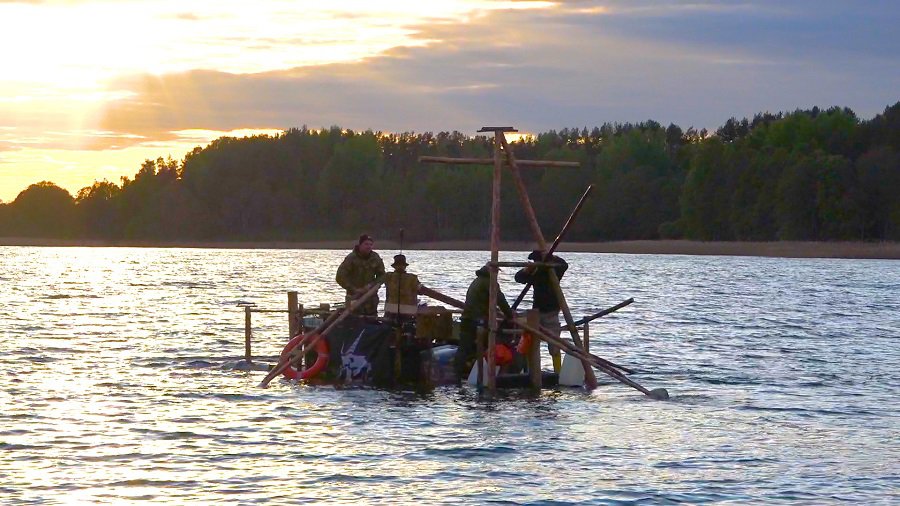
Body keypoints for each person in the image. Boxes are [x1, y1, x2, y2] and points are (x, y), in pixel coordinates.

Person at [454, 263, 513, 378]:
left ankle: (457, 375)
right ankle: (488, 375)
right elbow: (500, 300)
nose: (496, 275)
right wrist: (510, 315)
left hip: (467, 319)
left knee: (464, 347)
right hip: (477, 320)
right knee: (491, 344)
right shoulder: (489, 282)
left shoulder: (477, 281)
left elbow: (483, 301)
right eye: (496, 272)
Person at [515, 250, 568, 373]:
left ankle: (557, 372)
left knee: (554, 344)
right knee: (532, 342)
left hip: (551, 311)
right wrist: (526, 270)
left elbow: (564, 265)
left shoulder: (553, 269)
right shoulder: (536, 271)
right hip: (538, 311)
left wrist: (552, 257)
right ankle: (532, 371)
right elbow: (518, 278)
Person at [336, 234, 385, 316]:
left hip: (371, 299)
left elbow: (382, 276)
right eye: (366, 244)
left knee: (372, 321)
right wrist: (354, 289)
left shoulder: (375, 258)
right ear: (360, 245)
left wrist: (371, 285)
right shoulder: (351, 258)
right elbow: (340, 277)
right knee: (354, 319)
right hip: (354, 297)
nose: (368, 246)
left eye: (370, 244)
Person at [383, 254, 421, 318]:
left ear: (394, 266)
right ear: (405, 266)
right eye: (399, 265)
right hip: (408, 312)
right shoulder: (412, 278)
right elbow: (421, 290)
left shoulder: (388, 276)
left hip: (391, 311)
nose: (400, 267)